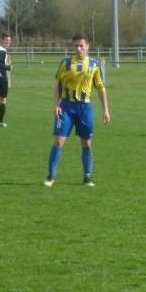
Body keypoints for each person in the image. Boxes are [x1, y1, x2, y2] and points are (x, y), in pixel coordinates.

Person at [44, 35, 110, 187]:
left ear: (88, 46)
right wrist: (56, 105)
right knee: (59, 140)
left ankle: (87, 176)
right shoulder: (65, 63)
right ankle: (51, 176)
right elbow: (57, 85)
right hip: (66, 107)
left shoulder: (94, 65)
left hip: (85, 108)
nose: (78, 48)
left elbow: (100, 88)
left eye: (81, 45)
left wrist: (105, 110)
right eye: (75, 46)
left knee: (86, 143)